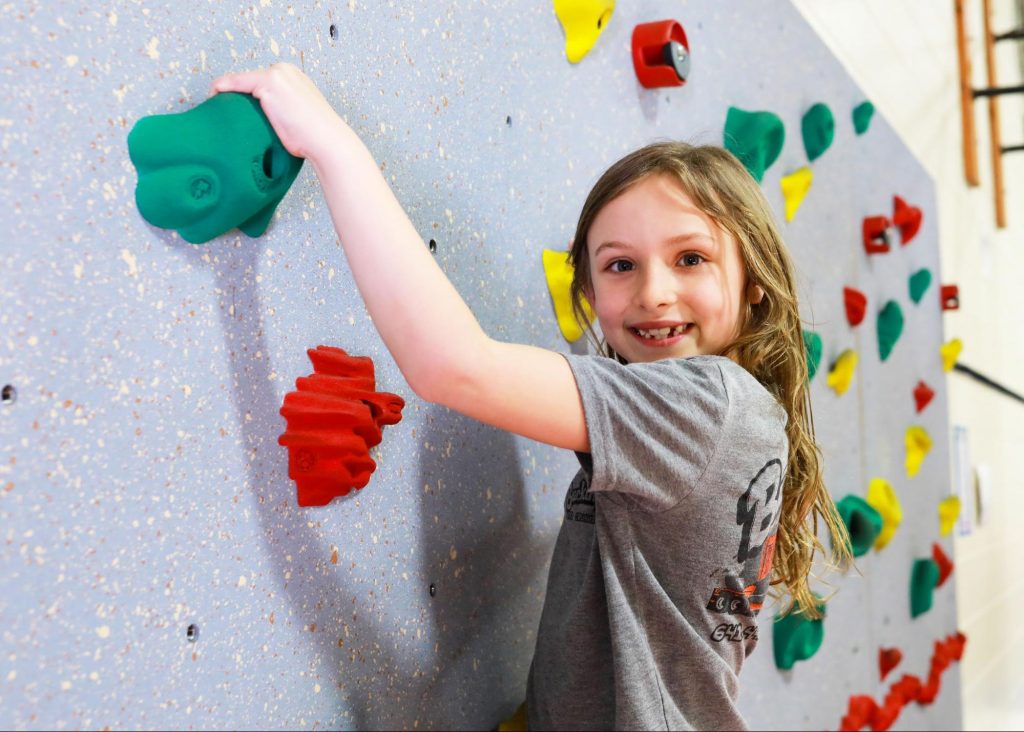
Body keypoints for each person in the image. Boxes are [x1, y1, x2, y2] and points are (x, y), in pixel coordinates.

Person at [210, 64, 850, 731]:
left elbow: (454, 367)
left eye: (691, 258)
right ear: (591, 289)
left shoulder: (705, 402)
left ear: (754, 284)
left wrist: (332, 145)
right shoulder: (743, 416)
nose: (654, 291)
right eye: (619, 264)